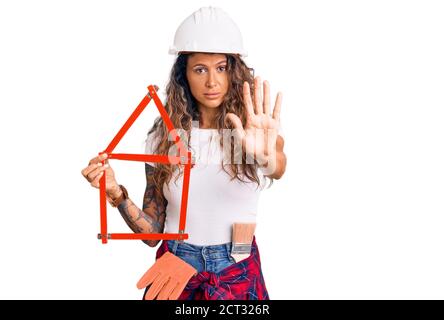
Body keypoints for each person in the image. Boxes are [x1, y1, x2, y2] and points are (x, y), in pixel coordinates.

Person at [81, 6, 286, 300]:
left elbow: (277, 166)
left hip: (238, 270)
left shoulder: (254, 131)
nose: (212, 82)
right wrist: (116, 194)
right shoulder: (163, 137)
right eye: (200, 69)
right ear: (184, 75)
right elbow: (152, 234)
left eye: (221, 68)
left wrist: (265, 155)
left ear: (234, 70)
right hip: (176, 268)